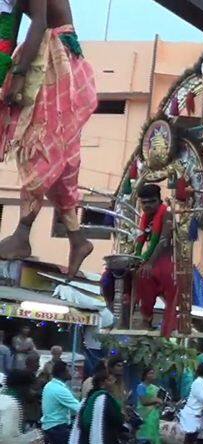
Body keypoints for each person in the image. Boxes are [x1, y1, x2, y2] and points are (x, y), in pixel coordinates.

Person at [0, 0, 98, 279]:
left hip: (55, 59)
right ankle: (77, 239)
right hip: (47, 54)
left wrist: (18, 75)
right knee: (60, 161)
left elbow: (40, 22)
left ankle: (22, 233)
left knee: (41, 147)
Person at [133, 184, 177, 334]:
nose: (147, 206)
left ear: (159, 201)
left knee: (147, 274)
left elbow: (164, 241)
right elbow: (140, 240)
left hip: (168, 261)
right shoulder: (145, 218)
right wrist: (136, 258)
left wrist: (150, 263)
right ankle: (141, 317)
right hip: (152, 261)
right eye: (144, 203)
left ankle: (167, 325)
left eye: (151, 202)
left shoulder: (167, 214)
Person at [67, 369, 125, 444]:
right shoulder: (104, 399)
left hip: (86, 438)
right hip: (105, 438)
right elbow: (116, 419)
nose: (113, 384)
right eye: (110, 381)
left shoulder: (89, 398)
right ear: (103, 383)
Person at [41, 361, 81, 444]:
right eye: (68, 371)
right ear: (62, 373)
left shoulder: (50, 385)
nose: (70, 373)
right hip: (57, 428)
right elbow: (79, 408)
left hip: (49, 427)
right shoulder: (59, 389)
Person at [0, 369, 40, 444]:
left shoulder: (4, 397)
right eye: (31, 388)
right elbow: (6, 437)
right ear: (22, 387)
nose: (33, 393)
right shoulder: (11, 404)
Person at [136, 367, 163, 444]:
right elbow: (143, 401)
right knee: (146, 438)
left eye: (153, 373)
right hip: (145, 415)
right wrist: (156, 400)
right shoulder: (141, 387)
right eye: (150, 373)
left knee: (155, 436)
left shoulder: (155, 388)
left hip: (154, 416)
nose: (152, 375)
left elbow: (160, 402)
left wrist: (159, 403)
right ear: (145, 375)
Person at [23, 352, 43, 428]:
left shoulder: (33, 376)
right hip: (27, 415)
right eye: (37, 362)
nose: (39, 365)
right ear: (31, 363)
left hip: (33, 414)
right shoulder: (24, 376)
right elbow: (28, 394)